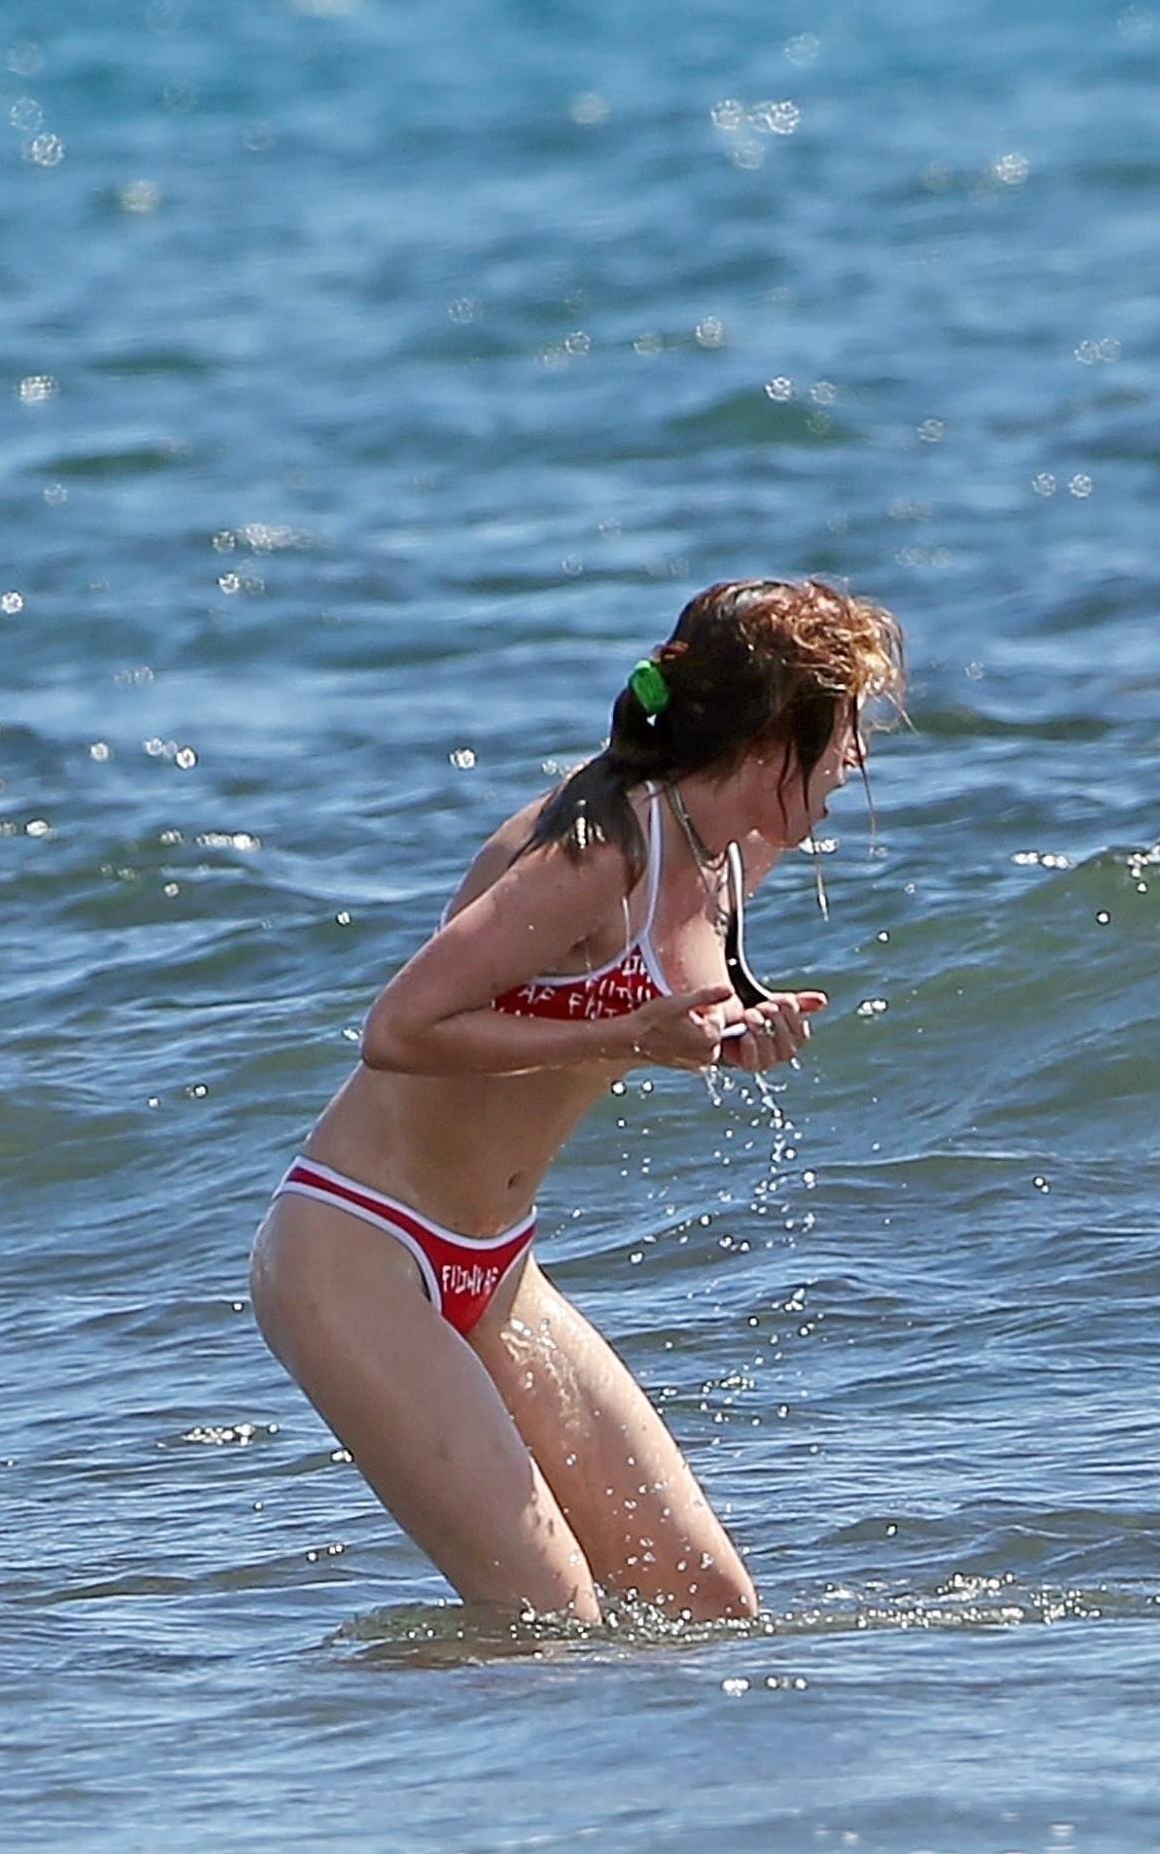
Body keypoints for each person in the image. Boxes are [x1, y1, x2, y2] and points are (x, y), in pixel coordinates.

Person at [248, 579, 902, 1618]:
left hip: (498, 1269)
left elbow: (655, 1014)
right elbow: (398, 1029)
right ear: (776, 734)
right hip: (359, 1249)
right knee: (550, 1623)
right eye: (843, 731)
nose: (855, 760)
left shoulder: (733, 847)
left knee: (713, 1611)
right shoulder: (603, 846)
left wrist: (730, 1039)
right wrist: (632, 1035)